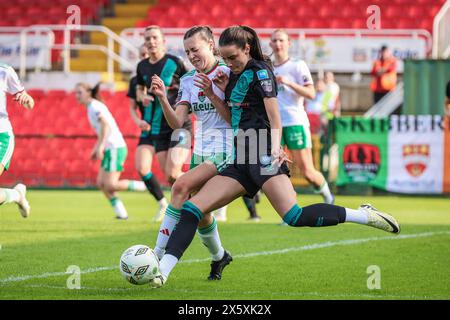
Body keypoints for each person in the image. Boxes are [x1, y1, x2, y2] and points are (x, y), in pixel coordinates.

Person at [150, 26, 401, 288]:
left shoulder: (261, 71)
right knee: (192, 208)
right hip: (240, 155)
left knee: (293, 216)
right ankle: (162, 273)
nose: (229, 63)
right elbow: (232, 116)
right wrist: (214, 93)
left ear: (246, 49)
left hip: (260, 151)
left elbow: (273, 112)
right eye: (225, 58)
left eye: (233, 57)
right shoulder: (231, 76)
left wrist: (275, 146)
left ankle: (361, 214)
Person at [150, 26, 256, 280]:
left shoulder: (229, 73)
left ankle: (157, 255)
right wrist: (163, 98)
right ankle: (219, 257)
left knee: (179, 186)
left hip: (227, 148)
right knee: (202, 214)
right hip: (201, 151)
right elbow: (177, 122)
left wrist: (212, 92)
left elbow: (235, 119)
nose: (191, 55)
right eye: (187, 52)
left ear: (211, 44)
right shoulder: (187, 80)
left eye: (195, 49)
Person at [269, 29, 334, 208]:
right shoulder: (267, 68)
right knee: (275, 171)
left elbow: (311, 93)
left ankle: (328, 197)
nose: (278, 44)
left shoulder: (297, 65)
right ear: (270, 44)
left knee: (307, 172)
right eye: (274, 40)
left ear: (289, 43)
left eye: (281, 40)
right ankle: (289, 208)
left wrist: (288, 82)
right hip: (275, 125)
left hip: (294, 121)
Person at [136, 25, 192, 221]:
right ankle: (192, 204)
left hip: (179, 124)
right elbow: (140, 88)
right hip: (158, 129)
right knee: (169, 177)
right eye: (148, 38)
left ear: (163, 41)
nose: (151, 41)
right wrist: (142, 97)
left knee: (175, 172)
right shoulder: (141, 66)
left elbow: (191, 84)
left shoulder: (175, 62)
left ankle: (198, 204)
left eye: (154, 38)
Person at [75, 83, 148, 220]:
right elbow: (102, 130)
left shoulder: (95, 106)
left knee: (111, 184)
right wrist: (97, 148)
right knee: (101, 183)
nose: (77, 96)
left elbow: (106, 126)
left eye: (80, 92)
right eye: (76, 93)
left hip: (115, 147)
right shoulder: (91, 107)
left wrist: (100, 146)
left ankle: (145, 186)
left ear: (89, 93)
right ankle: (121, 213)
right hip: (110, 148)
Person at [128, 44, 169, 221]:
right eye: (142, 54)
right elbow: (131, 107)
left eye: (147, 53)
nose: (146, 56)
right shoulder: (136, 79)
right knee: (142, 168)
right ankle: (163, 204)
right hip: (147, 130)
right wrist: (139, 121)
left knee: (171, 174)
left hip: (165, 128)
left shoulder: (166, 75)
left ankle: (200, 197)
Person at [0, 63, 33, 218]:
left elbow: (29, 103)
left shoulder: (4, 71)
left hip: (1, 136)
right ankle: (16, 195)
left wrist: (26, 99)